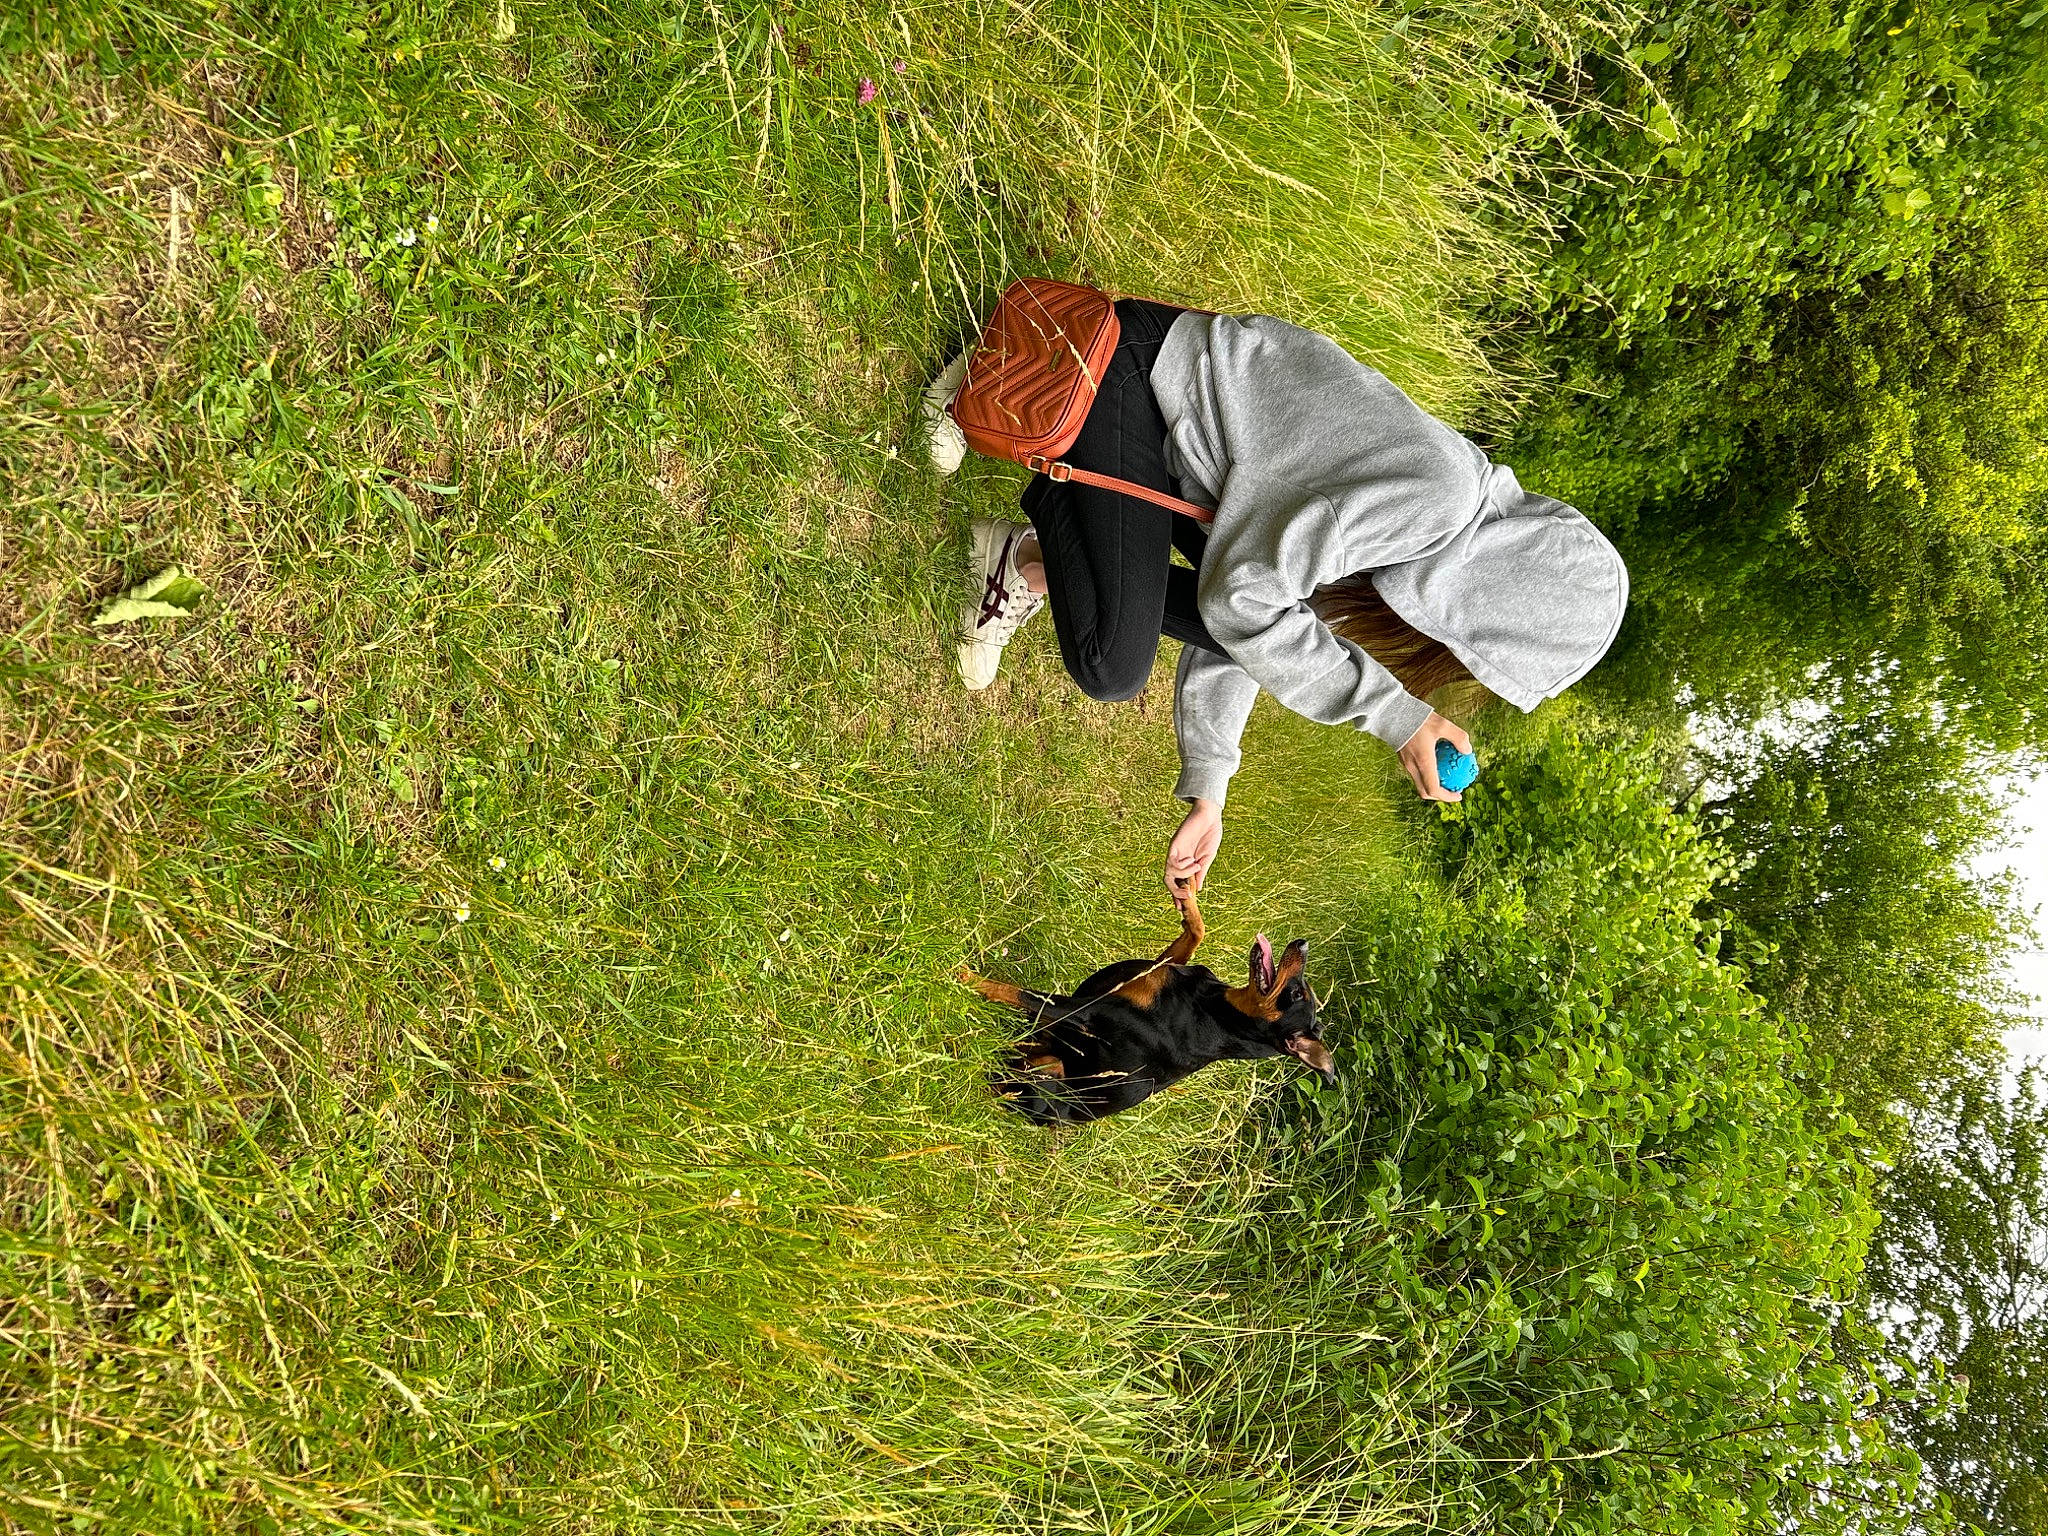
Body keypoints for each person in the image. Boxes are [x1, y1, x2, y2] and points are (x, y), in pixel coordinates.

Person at [923, 298, 1628, 903]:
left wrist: (1210, 787)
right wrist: (1394, 716)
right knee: (1112, 662)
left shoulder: (1420, 545)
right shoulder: (1435, 502)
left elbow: (1248, 627)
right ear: (1507, 598)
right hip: (1129, 374)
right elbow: (1242, 602)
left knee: (1152, 640)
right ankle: (1005, 375)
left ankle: (1029, 551)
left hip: (1172, 456)